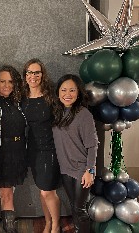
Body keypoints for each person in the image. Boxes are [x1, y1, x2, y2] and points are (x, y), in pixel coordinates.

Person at [52, 74, 98, 233]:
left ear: (78, 93)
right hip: (65, 169)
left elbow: (92, 146)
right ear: (58, 92)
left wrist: (90, 171)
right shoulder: (57, 113)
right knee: (73, 206)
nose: (67, 94)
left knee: (80, 209)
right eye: (63, 90)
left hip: (81, 170)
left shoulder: (84, 114)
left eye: (72, 90)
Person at [21, 58, 61, 233]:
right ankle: (47, 223)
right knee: (42, 191)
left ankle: (56, 226)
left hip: (49, 149)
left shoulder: (51, 97)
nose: (33, 76)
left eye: (37, 72)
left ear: (42, 75)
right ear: (25, 75)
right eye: (29, 72)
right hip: (33, 151)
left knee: (47, 191)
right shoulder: (23, 98)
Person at [0, 65, 27, 233]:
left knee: (10, 192)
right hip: (1, 154)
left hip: (19, 153)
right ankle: (10, 229)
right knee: (6, 194)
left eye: (10, 81)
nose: (6, 85)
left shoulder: (19, 103)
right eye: (2, 81)